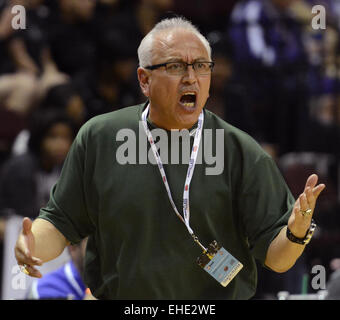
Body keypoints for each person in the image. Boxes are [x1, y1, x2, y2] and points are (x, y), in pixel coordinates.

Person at [14, 17, 325, 300]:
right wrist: (31, 246)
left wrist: (296, 233)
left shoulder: (241, 151)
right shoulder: (100, 138)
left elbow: (278, 259)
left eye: (201, 66)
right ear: (144, 80)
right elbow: (59, 222)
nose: (191, 77)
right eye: (176, 66)